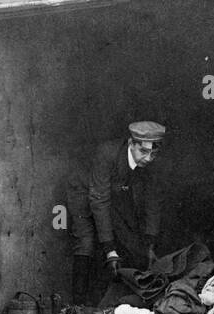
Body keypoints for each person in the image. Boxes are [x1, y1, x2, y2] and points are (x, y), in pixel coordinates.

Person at [65, 122, 166, 299]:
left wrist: (150, 242)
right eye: (143, 151)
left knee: (130, 242)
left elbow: (153, 200)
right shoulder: (107, 154)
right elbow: (99, 200)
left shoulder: (150, 163)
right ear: (131, 144)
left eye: (154, 154)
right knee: (86, 241)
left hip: (112, 191)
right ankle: (77, 305)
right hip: (83, 189)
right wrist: (110, 249)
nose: (149, 158)